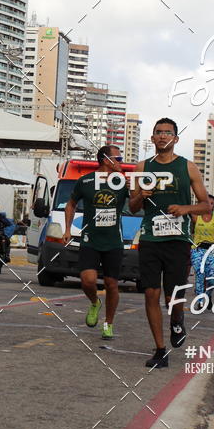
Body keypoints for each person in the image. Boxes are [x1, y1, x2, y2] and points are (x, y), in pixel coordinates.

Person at [130, 118, 211, 368]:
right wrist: (141, 196)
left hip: (177, 240)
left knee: (173, 298)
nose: (163, 136)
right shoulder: (142, 167)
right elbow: (133, 208)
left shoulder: (188, 168)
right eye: (158, 133)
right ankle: (160, 349)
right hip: (151, 238)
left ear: (175, 139)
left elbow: (207, 205)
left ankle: (177, 320)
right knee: (151, 293)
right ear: (152, 138)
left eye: (168, 133)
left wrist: (185, 208)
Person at [62, 144, 128, 341]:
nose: (120, 162)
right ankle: (94, 302)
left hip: (114, 240)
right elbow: (71, 203)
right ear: (106, 159)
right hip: (90, 238)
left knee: (111, 284)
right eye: (118, 159)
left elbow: (135, 205)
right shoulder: (86, 181)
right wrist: (67, 229)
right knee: (88, 280)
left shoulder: (122, 182)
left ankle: (108, 324)